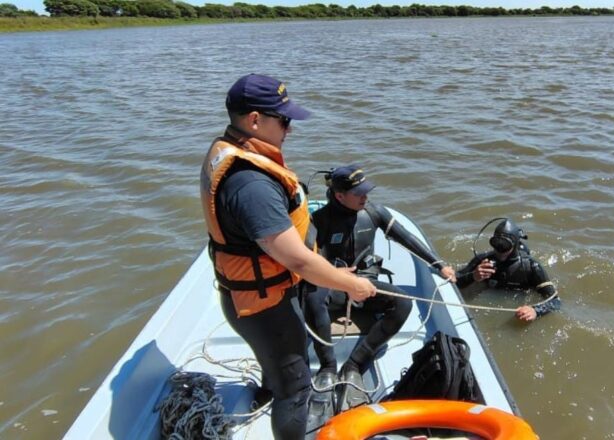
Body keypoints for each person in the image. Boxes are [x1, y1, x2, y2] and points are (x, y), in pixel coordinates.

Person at [199, 74, 376, 439]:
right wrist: (352, 285)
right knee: (296, 390)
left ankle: (268, 386)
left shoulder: (229, 149)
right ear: (253, 120)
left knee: (280, 368)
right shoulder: (251, 183)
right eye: (284, 120)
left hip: (257, 294)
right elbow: (296, 259)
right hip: (264, 304)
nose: (289, 129)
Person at [304, 164, 456, 422]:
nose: (366, 197)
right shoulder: (319, 220)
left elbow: (406, 239)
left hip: (367, 287)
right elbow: (309, 260)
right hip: (334, 288)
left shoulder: (374, 212)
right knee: (309, 297)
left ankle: (354, 365)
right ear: (339, 196)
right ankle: (327, 367)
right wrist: (339, 279)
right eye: (359, 193)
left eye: (366, 191)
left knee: (403, 304)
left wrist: (438, 264)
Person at [456, 219, 561, 322]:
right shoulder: (483, 260)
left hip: (519, 298)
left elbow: (555, 301)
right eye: (496, 243)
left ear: (515, 244)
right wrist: (473, 276)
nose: (500, 250)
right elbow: (456, 280)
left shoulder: (531, 267)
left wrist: (535, 311)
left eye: (505, 245)